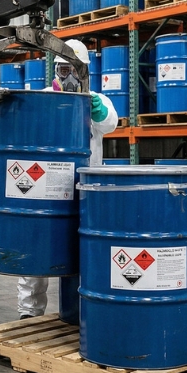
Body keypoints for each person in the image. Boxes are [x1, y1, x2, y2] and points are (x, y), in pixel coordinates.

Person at [18, 39, 118, 319]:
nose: (70, 77)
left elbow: (111, 122)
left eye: (75, 71)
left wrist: (94, 107)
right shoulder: (45, 97)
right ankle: (29, 311)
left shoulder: (96, 100)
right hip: (48, 190)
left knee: (85, 253)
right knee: (38, 249)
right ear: (55, 71)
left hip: (86, 191)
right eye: (64, 71)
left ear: (85, 72)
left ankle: (81, 313)